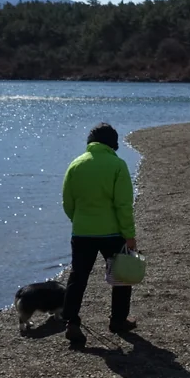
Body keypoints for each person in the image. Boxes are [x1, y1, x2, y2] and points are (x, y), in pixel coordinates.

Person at [61, 122, 137, 343]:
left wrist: (78, 221)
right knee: (121, 276)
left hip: (82, 232)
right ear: (113, 143)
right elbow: (123, 204)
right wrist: (129, 235)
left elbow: (67, 202)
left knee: (78, 277)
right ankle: (118, 320)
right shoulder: (117, 165)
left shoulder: (76, 164)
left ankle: (71, 321)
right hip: (112, 233)